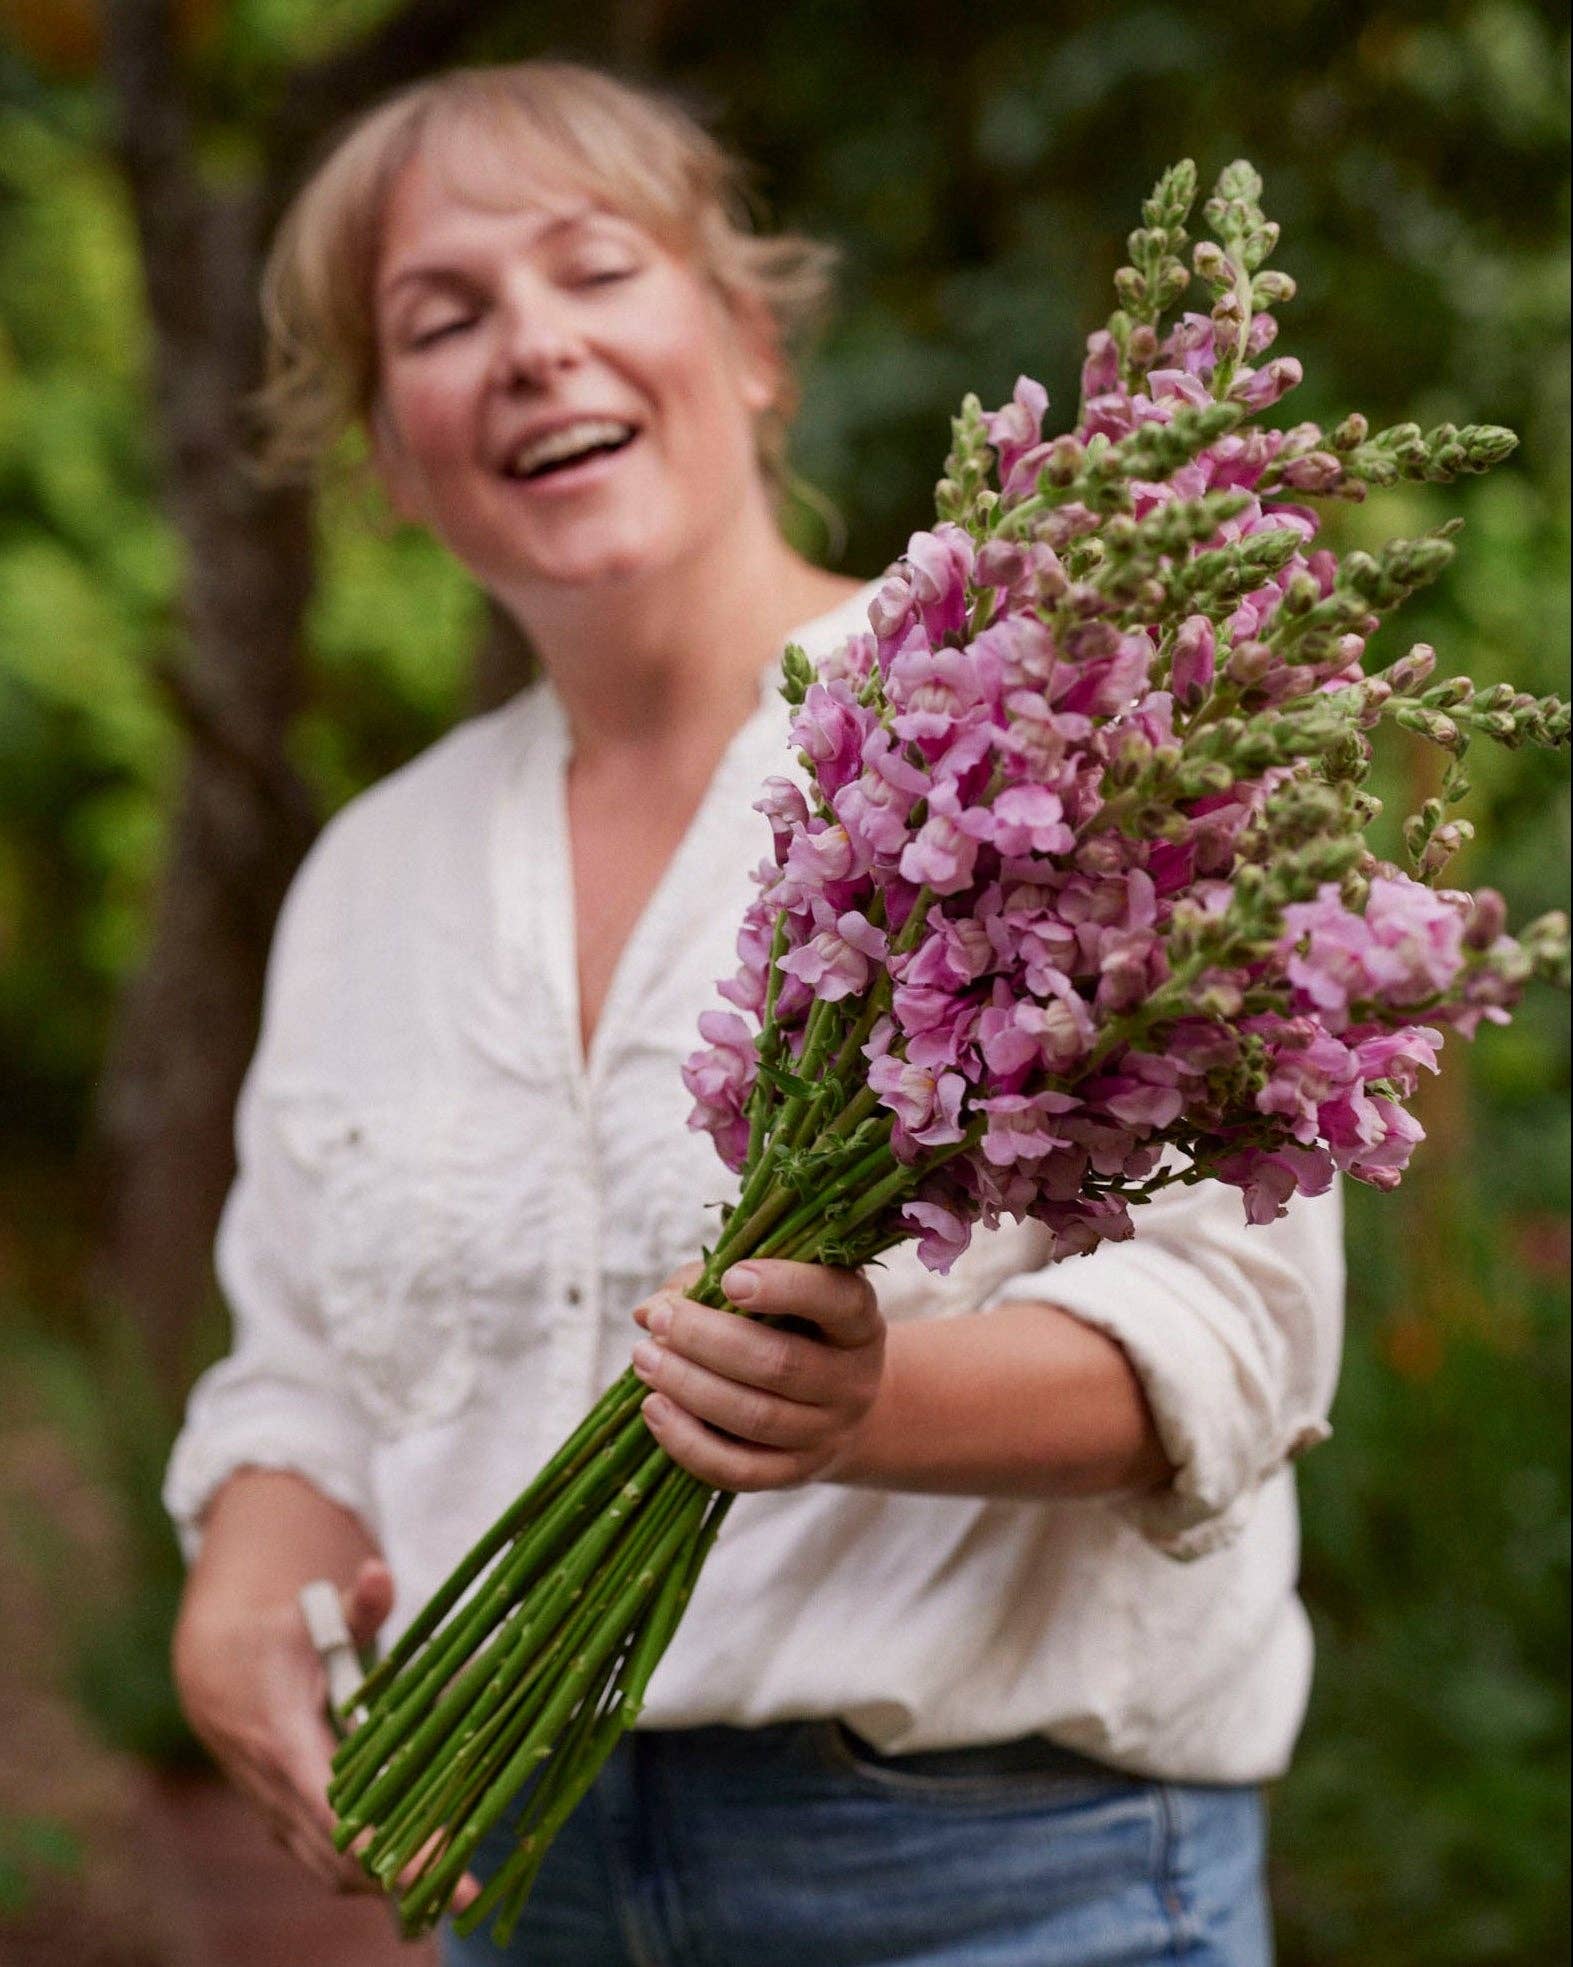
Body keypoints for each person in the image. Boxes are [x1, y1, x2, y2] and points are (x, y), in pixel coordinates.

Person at [164, 59, 1344, 1967]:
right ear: (390, 450)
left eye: (591, 271)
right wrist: (237, 1589)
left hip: (1004, 1883)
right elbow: (300, 1371)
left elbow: (1240, 1332)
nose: (531, 347)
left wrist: (868, 1399)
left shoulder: (1045, 724)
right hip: (522, 1878)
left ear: (748, 342)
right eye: (441, 320)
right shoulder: (371, 877)